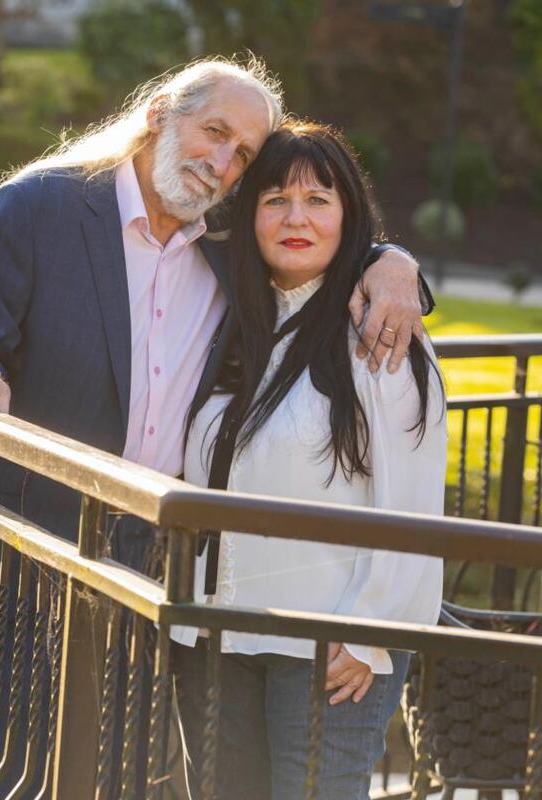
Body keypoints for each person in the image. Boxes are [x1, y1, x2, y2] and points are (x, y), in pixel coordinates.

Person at [0, 58, 431, 798]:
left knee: (115, 772)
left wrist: (393, 264)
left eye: (244, 155)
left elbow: (320, 227)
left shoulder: (229, 241)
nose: (222, 164)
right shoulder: (39, 204)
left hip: (151, 563)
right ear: (161, 112)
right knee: (5, 761)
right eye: (214, 132)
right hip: (26, 533)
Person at [170, 120, 446, 800]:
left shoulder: (379, 331)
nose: (296, 218)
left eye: (318, 200)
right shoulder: (233, 321)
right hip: (220, 634)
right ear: (250, 216)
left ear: (348, 216)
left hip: (329, 645)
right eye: (275, 201)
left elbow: (413, 501)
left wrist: (367, 634)